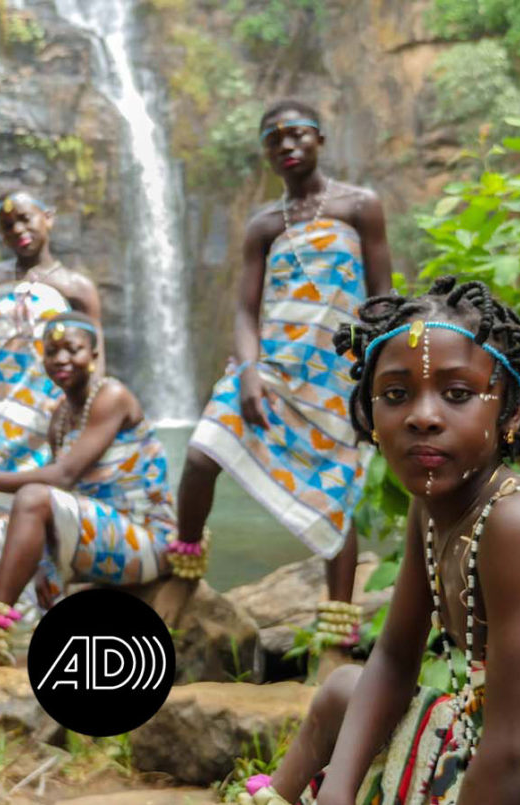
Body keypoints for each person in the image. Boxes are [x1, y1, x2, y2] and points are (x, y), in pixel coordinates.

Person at [239, 277, 520, 805]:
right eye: (396, 395)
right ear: (369, 416)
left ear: (509, 413)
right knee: (345, 690)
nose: (424, 416)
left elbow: (510, 760)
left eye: (458, 394)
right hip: (509, 747)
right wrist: (336, 794)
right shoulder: (432, 510)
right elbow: (392, 660)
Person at [173, 98, 392, 670]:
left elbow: (383, 301)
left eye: (296, 134)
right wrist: (247, 371)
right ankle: (185, 570)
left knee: (336, 493)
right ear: (267, 153)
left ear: (320, 138)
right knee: (200, 457)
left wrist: (375, 382)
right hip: (268, 366)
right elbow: (245, 311)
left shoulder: (360, 207)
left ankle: (337, 637)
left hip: (335, 376)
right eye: (274, 139)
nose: (286, 145)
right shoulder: (264, 225)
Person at [0, 312, 176, 677]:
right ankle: (19, 646)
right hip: (95, 533)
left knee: (33, 499)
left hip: (146, 538)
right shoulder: (62, 417)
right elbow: (58, 496)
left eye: (73, 349)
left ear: (95, 355)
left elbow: (63, 477)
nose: (62, 359)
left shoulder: (112, 395)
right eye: (52, 352)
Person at [0, 190, 102, 564]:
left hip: (45, 426)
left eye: (26, 219)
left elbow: (95, 368)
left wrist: (80, 432)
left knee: (28, 517)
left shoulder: (77, 288)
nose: (19, 230)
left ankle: (15, 604)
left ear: (49, 217)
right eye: (7, 225)